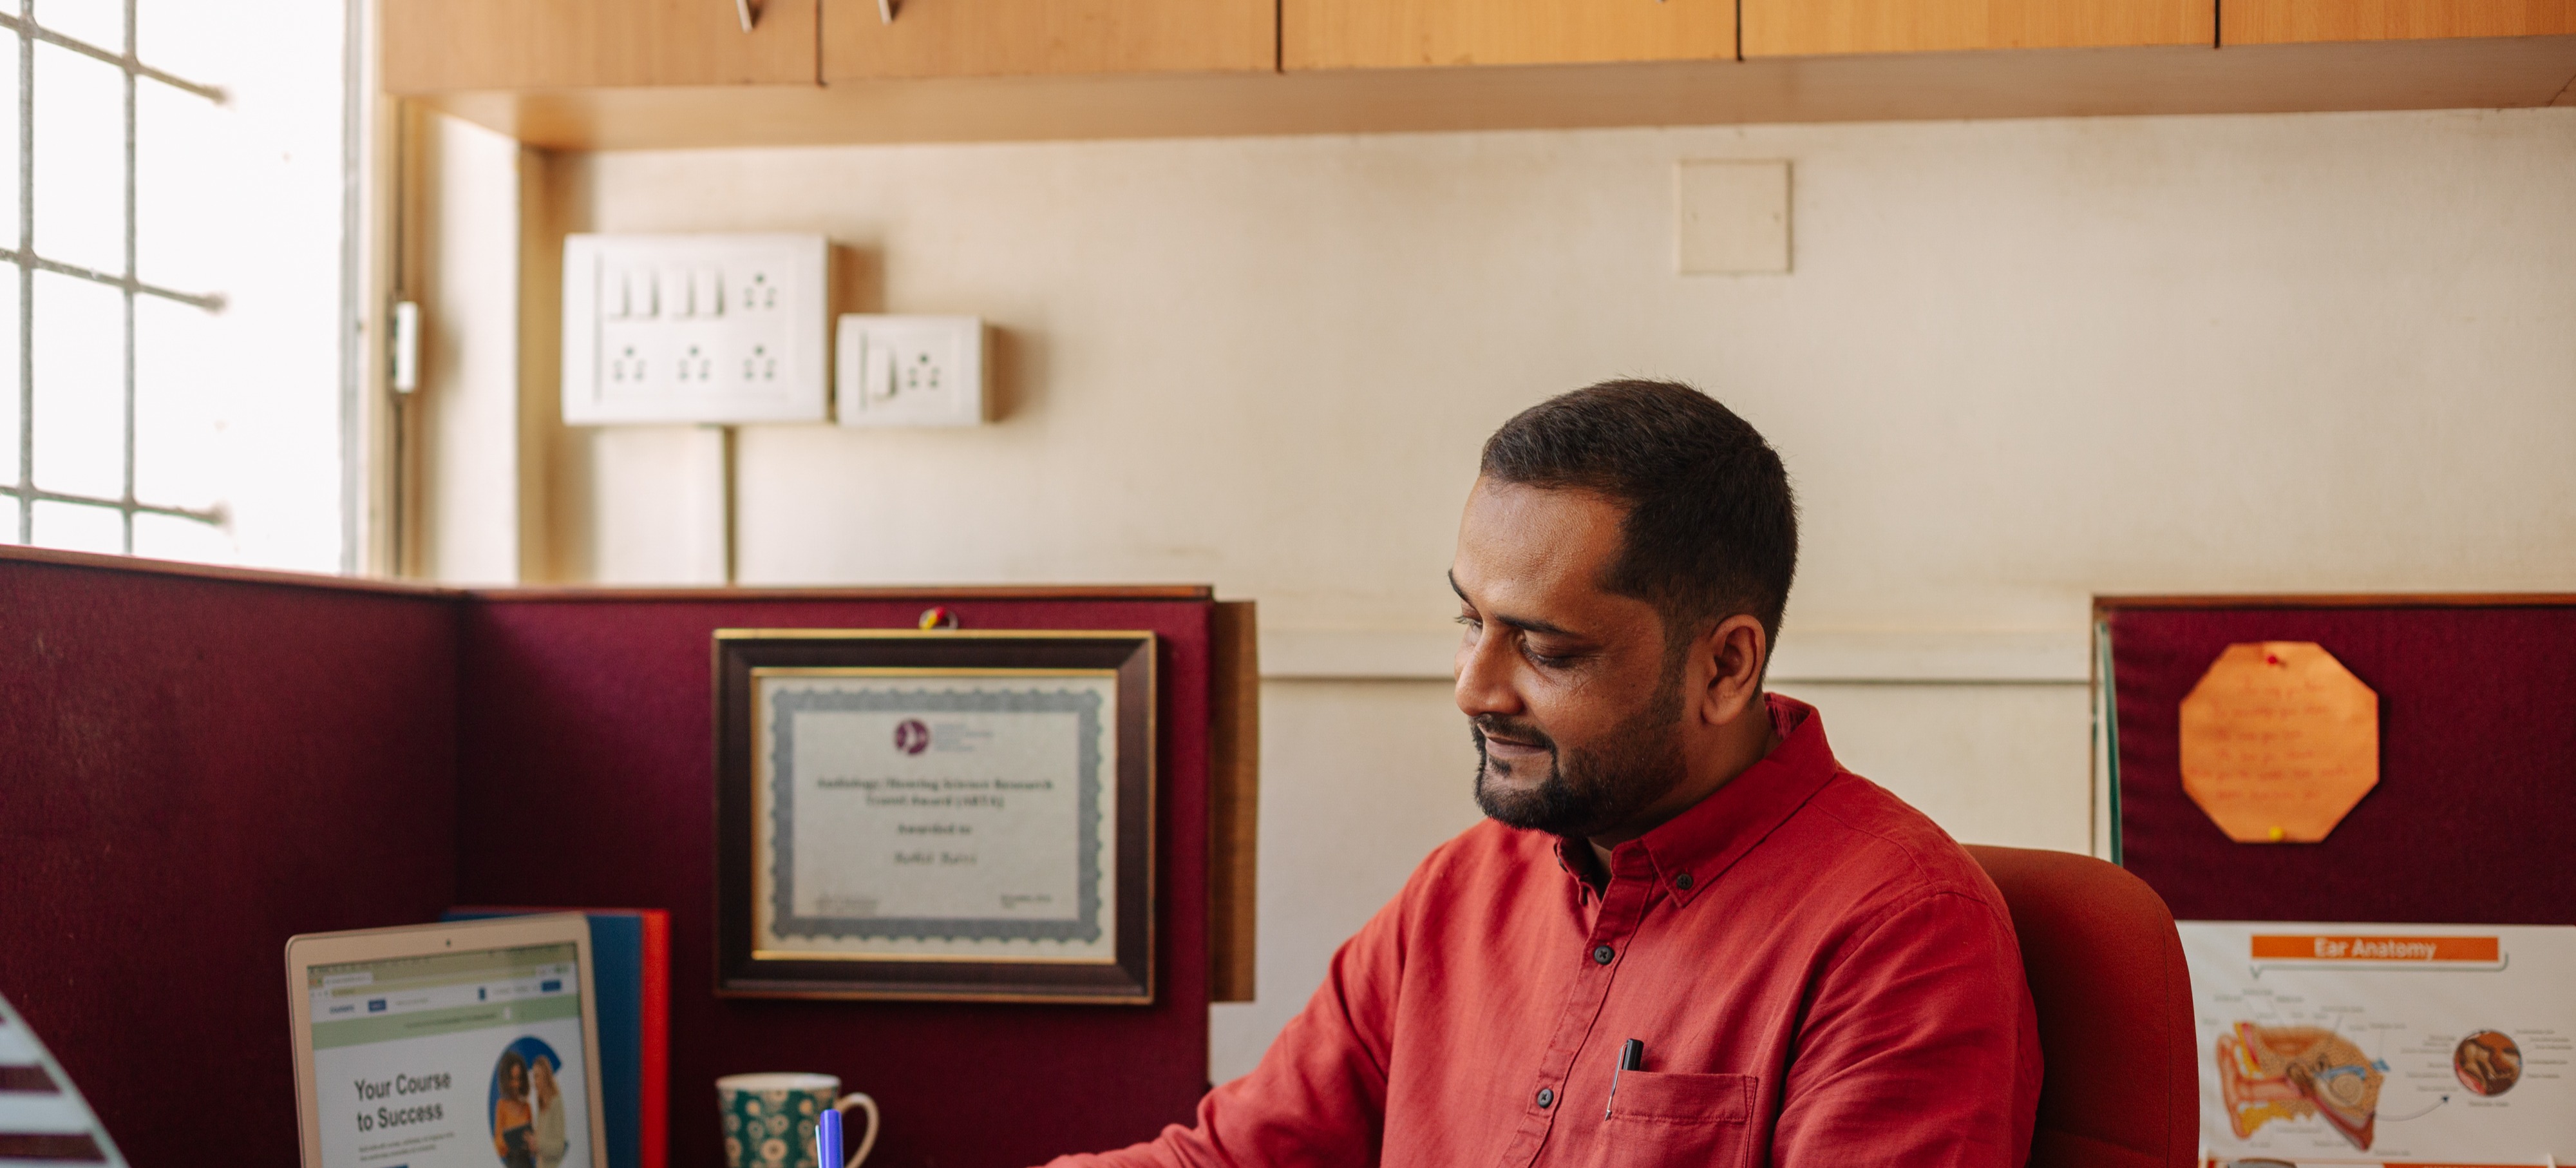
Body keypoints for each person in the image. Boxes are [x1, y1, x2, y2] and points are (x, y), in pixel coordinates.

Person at [1043, 379, 2042, 1167]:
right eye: (1470, 620)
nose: (1475, 689)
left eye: (1547, 650)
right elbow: (1233, 1157)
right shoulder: (1458, 890)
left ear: (1726, 665)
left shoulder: (1901, 934)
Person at [493, 1051, 535, 1168]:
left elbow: (532, 1144)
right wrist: (510, 1138)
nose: (516, 1084)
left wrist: (532, 1142)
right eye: (512, 1079)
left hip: (527, 1162)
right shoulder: (501, 1106)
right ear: (506, 1079)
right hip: (512, 1162)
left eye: (519, 1079)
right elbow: (498, 1145)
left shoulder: (527, 1107)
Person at [529, 1055, 569, 1168]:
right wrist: (532, 1144)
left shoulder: (556, 1103)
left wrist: (538, 1144)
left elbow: (558, 1148)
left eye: (537, 1077)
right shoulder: (541, 1105)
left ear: (546, 1077)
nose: (534, 1082)